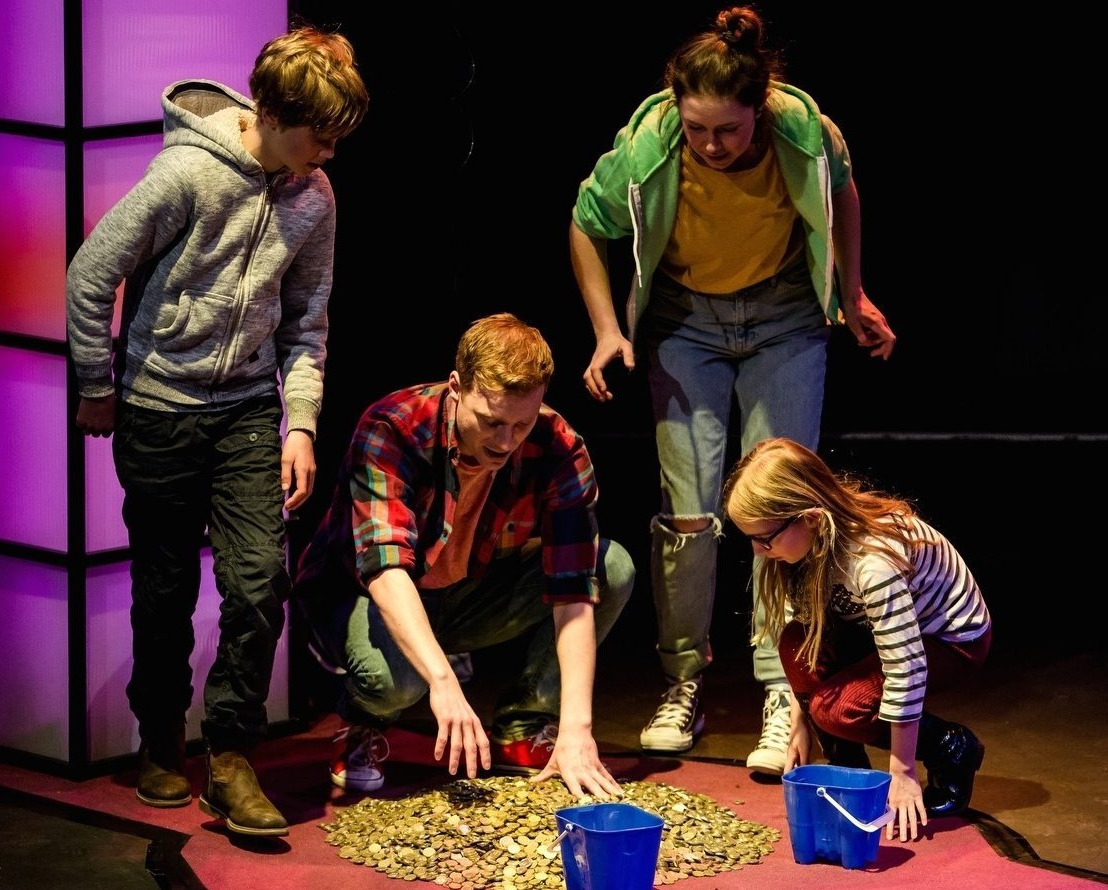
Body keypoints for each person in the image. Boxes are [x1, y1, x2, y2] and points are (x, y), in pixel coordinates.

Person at [568, 4, 897, 773]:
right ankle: (684, 680)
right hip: (686, 324)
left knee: (780, 509)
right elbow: (587, 223)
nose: (712, 145)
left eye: (729, 130)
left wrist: (852, 296)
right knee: (688, 515)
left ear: (759, 108)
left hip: (785, 317)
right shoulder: (651, 141)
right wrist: (607, 329)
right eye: (698, 128)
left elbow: (843, 192)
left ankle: (784, 688)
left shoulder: (805, 132)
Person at [65, 24, 368, 837]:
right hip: (161, 410)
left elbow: (308, 321)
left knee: (258, 580)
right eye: (322, 137)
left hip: (245, 409)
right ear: (271, 115)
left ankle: (231, 755)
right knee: (165, 588)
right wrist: (98, 386)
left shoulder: (312, 196)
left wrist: (299, 424)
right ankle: (161, 734)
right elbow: (92, 275)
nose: (330, 155)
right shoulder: (187, 174)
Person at [292, 313, 635, 800]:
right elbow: (386, 568)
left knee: (611, 565)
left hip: (460, 594)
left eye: (521, 423)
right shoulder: (394, 427)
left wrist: (577, 726)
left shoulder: (558, 445)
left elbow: (573, 589)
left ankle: (523, 726)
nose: (505, 441)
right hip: (361, 596)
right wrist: (443, 681)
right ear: (456, 387)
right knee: (399, 683)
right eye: (491, 421)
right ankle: (362, 721)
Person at [723, 436, 992, 841]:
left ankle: (951, 748)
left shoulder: (872, 562)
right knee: (794, 645)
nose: (759, 552)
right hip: (869, 630)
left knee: (840, 711)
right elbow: (811, 629)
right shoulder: (806, 545)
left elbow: (906, 664)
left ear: (811, 518)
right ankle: (848, 767)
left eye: (765, 539)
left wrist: (902, 770)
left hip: (948, 641)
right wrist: (802, 722)